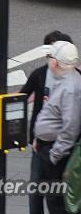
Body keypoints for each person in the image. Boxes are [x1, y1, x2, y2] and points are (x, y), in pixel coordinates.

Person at [21, 31, 73, 214]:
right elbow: (21, 98)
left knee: (59, 191)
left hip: (65, 146)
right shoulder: (39, 74)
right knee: (36, 188)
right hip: (40, 144)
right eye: (49, 50)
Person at [33, 40, 81, 214]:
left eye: (50, 56)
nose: (48, 60)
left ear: (55, 61)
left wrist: (54, 156)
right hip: (49, 147)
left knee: (56, 202)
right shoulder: (67, 78)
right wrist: (39, 139)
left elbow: (70, 128)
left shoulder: (70, 88)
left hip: (56, 153)